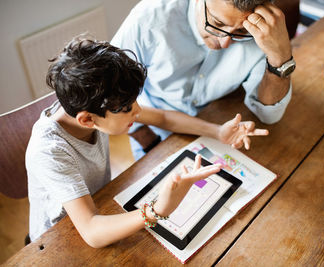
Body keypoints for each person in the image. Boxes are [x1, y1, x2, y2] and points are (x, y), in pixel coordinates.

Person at [25, 36, 268, 247]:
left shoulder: (92, 101)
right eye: (127, 108)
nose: (137, 111)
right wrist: (159, 210)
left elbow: (162, 116)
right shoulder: (49, 151)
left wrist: (217, 131)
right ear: (87, 120)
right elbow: (91, 231)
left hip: (101, 203)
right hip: (61, 235)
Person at [111, 0, 294, 159]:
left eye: (240, 31)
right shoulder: (147, 20)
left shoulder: (262, 33)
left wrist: (281, 57)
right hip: (152, 132)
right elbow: (113, 96)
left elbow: (269, 115)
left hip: (220, 125)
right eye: (216, 23)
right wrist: (150, 145)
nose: (224, 43)